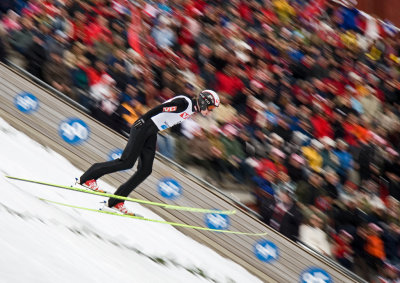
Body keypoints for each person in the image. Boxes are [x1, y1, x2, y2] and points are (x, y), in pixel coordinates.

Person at [78, 90, 220, 215]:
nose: (210, 111)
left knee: (145, 170)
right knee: (126, 162)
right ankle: (88, 177)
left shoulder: (190, 109)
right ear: (204, 102)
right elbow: (161, 108)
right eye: (211, 107)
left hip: (152, 131)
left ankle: (116, 201)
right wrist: (143, 119)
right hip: (144, 127)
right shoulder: (185, 103)